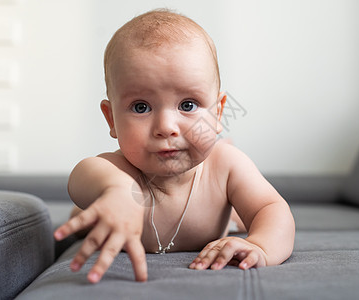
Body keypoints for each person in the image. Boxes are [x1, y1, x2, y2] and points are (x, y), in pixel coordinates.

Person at [54, 9, 295, 284]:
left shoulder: (226, 165)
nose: (166, 126)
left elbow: (272, 209)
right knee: (87, 213)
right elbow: (82, 175)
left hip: (218, 202)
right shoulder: (117, 170)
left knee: (238, 211)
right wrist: (117, 192)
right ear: (111, 119)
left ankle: (234, 216)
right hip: (109, 202)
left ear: (218, 112)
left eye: (188, 105)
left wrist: (261, 245)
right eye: (141, 107)